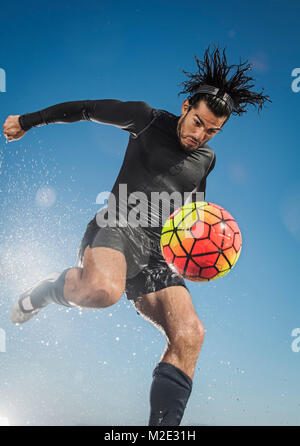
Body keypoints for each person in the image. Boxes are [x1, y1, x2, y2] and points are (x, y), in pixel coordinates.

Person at [3, 47, 270, 426]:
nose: (201, 135)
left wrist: (198, 248)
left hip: (161, 250)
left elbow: (194, 211)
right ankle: (49, 289)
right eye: (198, 122)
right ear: (185, 107)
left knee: (191, 334)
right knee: (103, 292)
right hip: (118, 225)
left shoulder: (206, 159)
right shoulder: (146, 119)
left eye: (212, 131)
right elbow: (87, 108)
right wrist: (28, 120)